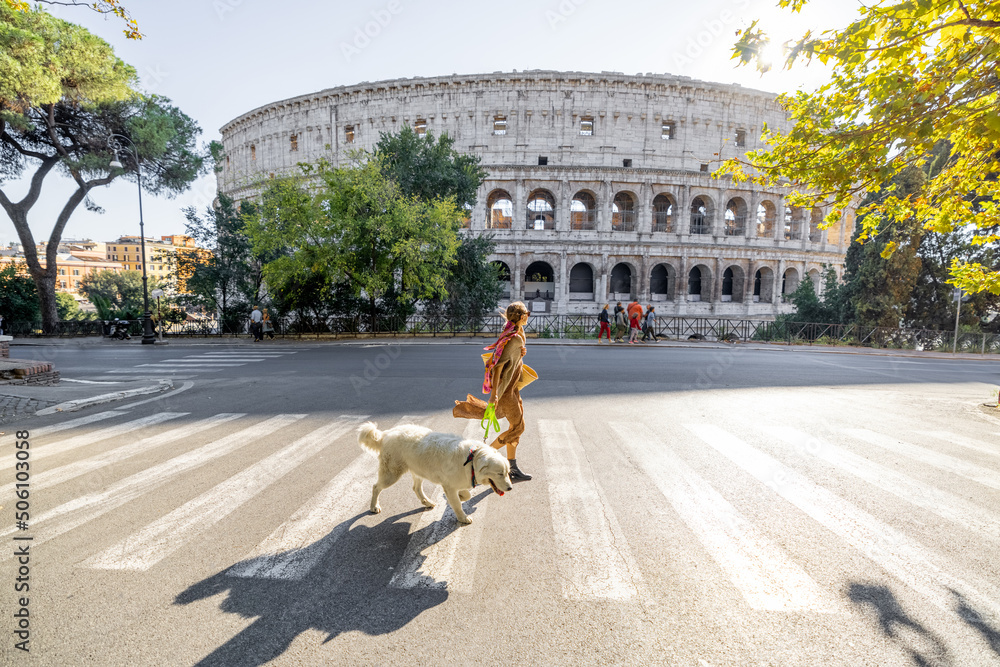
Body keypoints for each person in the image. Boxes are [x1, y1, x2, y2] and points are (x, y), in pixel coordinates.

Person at [453, 301, 533, 482]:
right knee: (518, 427)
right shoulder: (514, 339)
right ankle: (483, 456)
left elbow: (511, 357)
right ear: (521, 317)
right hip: (507, 394)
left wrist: (520, 354)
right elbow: (498, 367)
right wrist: (494, 395)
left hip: (513, 390)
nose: (528, 316)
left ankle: (512, 468)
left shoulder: (513, 333)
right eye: (526, 314)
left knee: (515, 429)